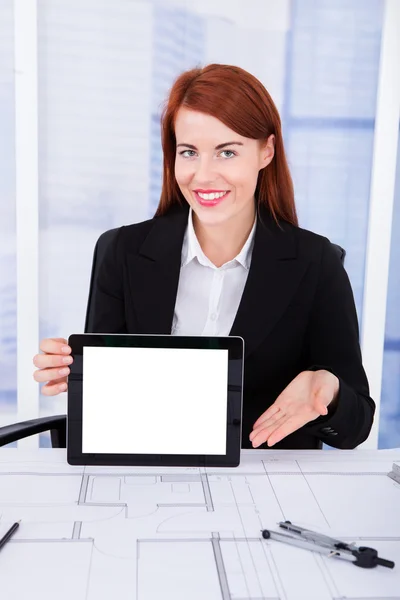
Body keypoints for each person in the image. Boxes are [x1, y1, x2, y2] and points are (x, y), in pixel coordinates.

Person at [32, 63, 375, 450]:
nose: (204, 175)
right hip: (146, 478)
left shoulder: (315, 262)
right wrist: (79, 379)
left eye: (227, 152)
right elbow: (104, 407)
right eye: (189, 152)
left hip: (266, 491)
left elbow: (356, 426)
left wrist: (328, 390)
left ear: (267, 151)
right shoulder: (122, 252)